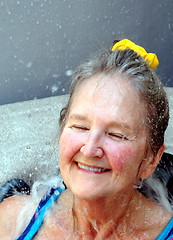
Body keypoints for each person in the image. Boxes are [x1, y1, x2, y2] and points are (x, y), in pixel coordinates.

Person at [0, 39, 172, 240]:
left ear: (151, 160)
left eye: (116, 134)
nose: (89, 150)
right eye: (80, 127)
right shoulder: (13, 221)